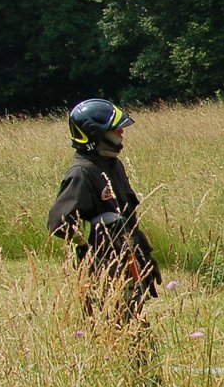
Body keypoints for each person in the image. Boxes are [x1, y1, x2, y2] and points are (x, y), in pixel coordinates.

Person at [47, 98, 161, 325]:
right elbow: (58, 223)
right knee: (112, 331)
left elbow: (128, 217)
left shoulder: (113, 164)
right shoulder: (81, 172)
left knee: (138, 333)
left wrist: (144, 255)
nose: (122, 132)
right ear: (94, 133)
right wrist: (92, 237)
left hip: (128, 262)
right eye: (115, 129)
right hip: (102, 272)